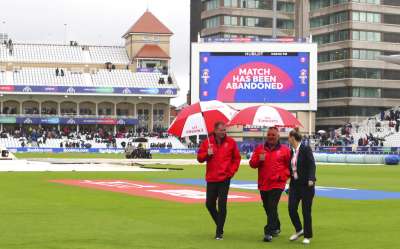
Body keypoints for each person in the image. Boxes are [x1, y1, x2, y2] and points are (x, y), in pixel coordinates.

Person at [197, 122, 241, 240]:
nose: (223, 132)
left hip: (224, 179)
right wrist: (207, 154)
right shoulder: (207, 142)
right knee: (209, 204)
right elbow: (199, 158)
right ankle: (220, 224)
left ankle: (219, 232)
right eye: (221, 130)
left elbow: (236, 158)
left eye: (224, 130)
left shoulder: (231, 142)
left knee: (222, 205)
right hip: (211, 178)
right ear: (215, 130)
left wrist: (231, 172)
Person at [249, 127, 291, 242]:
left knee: (272, 206)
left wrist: (282, 176)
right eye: (269, 135)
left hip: (277, 183)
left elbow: (290, 167)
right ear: (266, 136)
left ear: (278, 137)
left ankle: (268, 232)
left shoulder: (285, 150)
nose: (271, 137)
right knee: (268, 207)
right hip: (264, 183)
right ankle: (276, 226)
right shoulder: (259, 149)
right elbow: (252, 164)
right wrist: (259, 160)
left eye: (273, 135)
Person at [287, 128, 317, 245]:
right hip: (295, 185)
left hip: (306, 185)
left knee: (306, 211)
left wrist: (311, 178)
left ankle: (307, 236)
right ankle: (299, 229)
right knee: (291, 208)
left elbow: (312, 165)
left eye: (289, 137)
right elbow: (291, 168)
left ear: (293, 138)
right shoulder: (291, 152)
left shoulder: (305, 149)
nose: (288, 139)